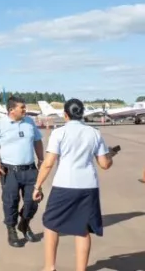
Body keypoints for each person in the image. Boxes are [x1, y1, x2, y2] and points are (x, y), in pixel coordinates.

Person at [33, 99, 115, 271]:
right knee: (83, 228)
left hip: (64, 184)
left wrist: (37, 186)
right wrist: (111, 156)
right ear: (82, 113)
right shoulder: (94, 133)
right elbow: (105, 164)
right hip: (88, 186)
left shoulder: (59, 133)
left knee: (51, 224)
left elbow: (48, 163)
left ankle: (49, 267)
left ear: (65, 114)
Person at [0, 96, 44, 248]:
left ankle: (24, 223)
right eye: (22, 107)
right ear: (11, 110)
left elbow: (37, 140)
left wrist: (41, 159)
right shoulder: (0, 124)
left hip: (30, 170)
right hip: (9, 171)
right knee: (11, 202)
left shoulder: (29, 122)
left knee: (33, 200)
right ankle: (11, 230)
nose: (25, 110)